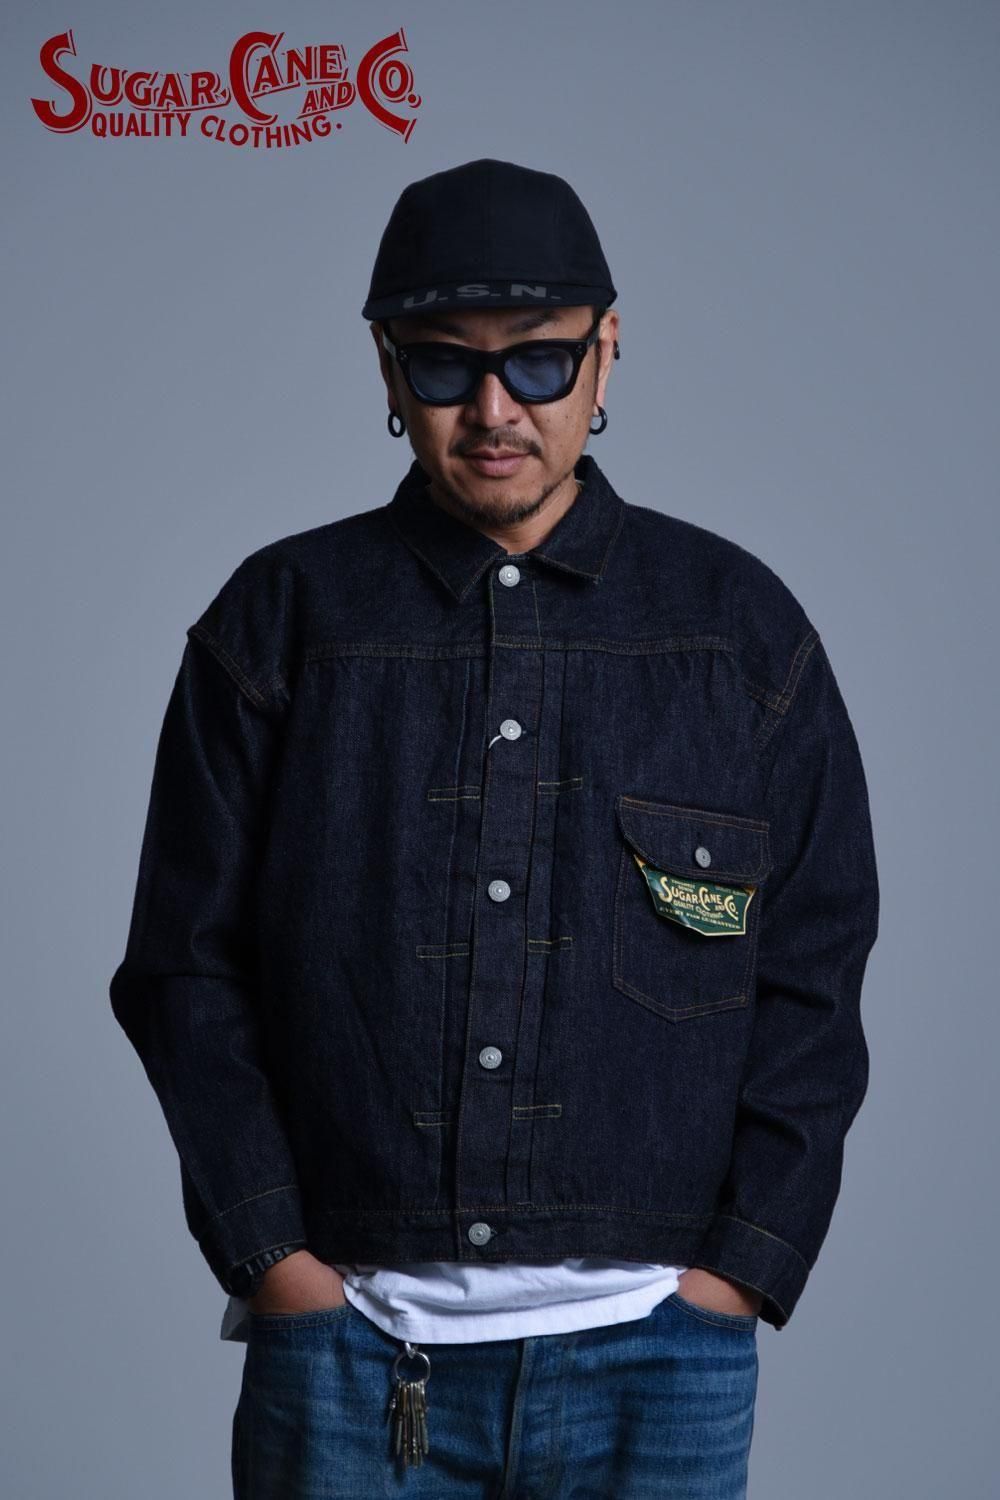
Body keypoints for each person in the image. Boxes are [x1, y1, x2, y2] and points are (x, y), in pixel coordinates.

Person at [109, 157, 879, 1497]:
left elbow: (815, 967)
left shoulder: (737, 632)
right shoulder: (280, 622)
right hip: (348, 1358)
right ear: (385, 367)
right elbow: (184, 969)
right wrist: (277, 1264)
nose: (492, 409)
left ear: (606, 351)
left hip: (661, 1362)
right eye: (443, 366)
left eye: (537, 361)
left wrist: (740, 1270)